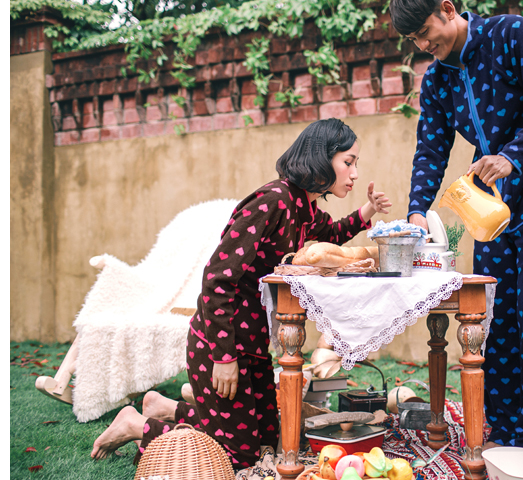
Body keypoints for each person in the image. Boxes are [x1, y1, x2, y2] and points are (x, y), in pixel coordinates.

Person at [91, 118, 392, 469]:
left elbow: (332, 234)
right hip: (221, 343)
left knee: (268, 436)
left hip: (254, 344)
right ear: (322, 159)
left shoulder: (303, 206)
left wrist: (369, 210)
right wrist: (224, 358)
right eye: (348, 162)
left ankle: (165, 407)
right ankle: (136, 425)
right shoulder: (272, 201)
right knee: (238, 455)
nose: (355, 173)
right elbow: (217, 278)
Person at [389, 0, 523, 451]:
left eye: (424, 32)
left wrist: (512, 156)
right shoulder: (437, 81)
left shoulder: (511, 34)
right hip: (488, 209)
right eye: (413, 40)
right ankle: (501, 430)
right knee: (496, 319)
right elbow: (431, 149)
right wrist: (417, 209)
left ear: (448, 9)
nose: (422, 45)